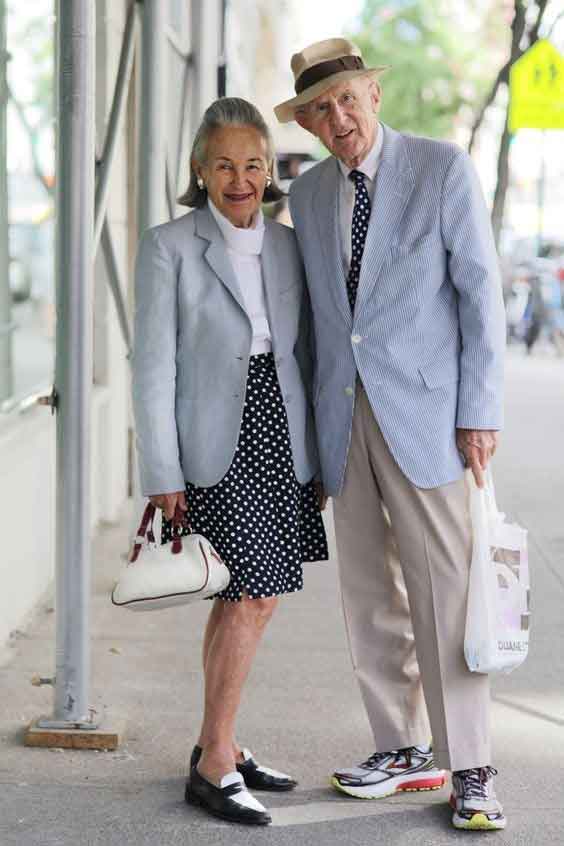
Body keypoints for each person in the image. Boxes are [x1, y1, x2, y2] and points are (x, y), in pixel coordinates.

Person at [275, 38, 507, 831]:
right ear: (306, 122)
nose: (337, 118)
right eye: (319, 108)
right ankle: (401, 747)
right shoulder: (305, 199)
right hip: (344, 419)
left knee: (446, 591)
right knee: (370, 593)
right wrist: (307, 437)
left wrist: (481, 410)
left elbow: (481, 296)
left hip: (430, 415)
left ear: (373, 92)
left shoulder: (440, 169)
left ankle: (471, 764)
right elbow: (310, 326)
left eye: (347, 99)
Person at [132, 97, 328, 827]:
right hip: (216, 441)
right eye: (225, 165)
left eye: (252, 164)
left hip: (281, 432)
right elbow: (152, 366)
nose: (241, 179)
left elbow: (303, 351)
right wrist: (161, 470)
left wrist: (317, 456)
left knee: (252, 596)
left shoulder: (284, 244)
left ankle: (221, 741)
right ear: (199, 170)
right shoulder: (168, 245)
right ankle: (214, 764)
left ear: (268, 170)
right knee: (245, 596)